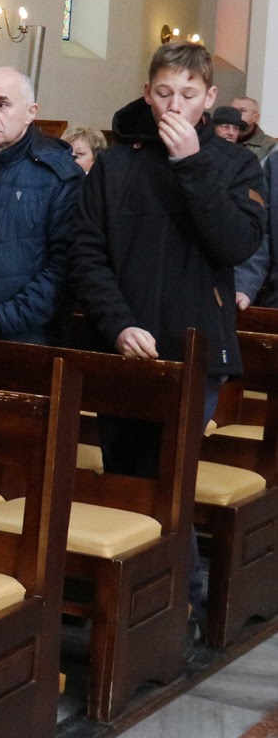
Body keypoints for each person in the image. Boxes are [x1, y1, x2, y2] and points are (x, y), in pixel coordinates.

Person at [70, 44, 265, 625]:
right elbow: (87, 252)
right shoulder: (115, 164)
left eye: (187, 94)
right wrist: (118, 323)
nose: (174, 105)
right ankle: (128, 608)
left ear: (209, 98)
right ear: (147, 92)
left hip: (196, 350)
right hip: (124, 349)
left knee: (168, 481)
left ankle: (179, 606)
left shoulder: (234, 164)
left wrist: (192, 165)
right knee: (125, 479)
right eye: (163, 93)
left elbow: (236, 245)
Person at [0, 67, 83, 345]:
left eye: (2, 104)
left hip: (27, 337)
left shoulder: (59, 175)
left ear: (31, 112)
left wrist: (3, 321)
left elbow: (65, 267)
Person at [234, 96, 276, 163]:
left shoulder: (270, 145)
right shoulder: (223, 140)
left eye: (242, 110)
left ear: (256, 117)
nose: (236, 114)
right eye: (233, 111)